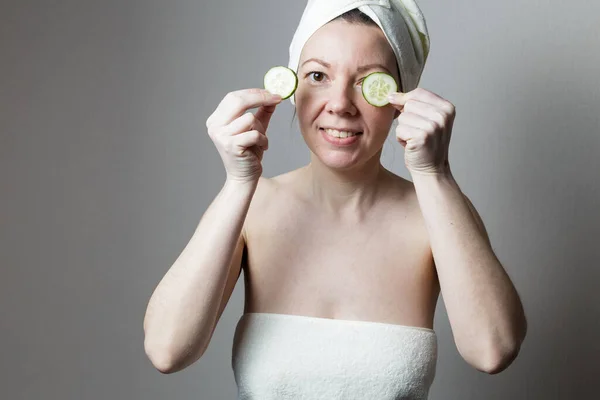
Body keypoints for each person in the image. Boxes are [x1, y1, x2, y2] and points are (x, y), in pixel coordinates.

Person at [143, 0, 527, 398]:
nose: (341, 104)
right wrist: (240, 182)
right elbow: (167, 349)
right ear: (291, 90)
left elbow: (492, 350)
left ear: (401, 101)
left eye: (369, 82)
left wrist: (434, 173)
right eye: (318, 75)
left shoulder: (436, 211)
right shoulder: (253, 207)